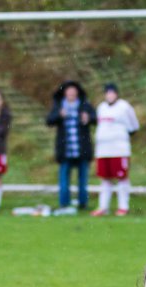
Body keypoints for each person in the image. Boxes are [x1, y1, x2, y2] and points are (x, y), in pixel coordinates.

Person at [45, 80, 96, 211]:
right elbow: (49, 120)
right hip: (65, 150)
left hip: (82, 149)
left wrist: (88, 118)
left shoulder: (85, 106)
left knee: (83, 180)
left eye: (74, 91)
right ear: (65, 93)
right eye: (69, 91)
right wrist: (59, 115)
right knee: (63, 180)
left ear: (77, 93)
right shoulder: (59, 106)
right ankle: (64, 203)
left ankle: (82, 204)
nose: (71, 93)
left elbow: (96, 118)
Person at [91, 82, 140, 217]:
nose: (110, 95)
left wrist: (120, 137)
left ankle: (123, 207)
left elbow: (134, 127)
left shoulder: (124, 107)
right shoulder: (101, 107)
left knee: (121, 177)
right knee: (105, 178)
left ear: (116, 94)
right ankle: (103, 207)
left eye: (112, 92)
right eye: (107, 92)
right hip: (103, 150)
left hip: (119, 149)